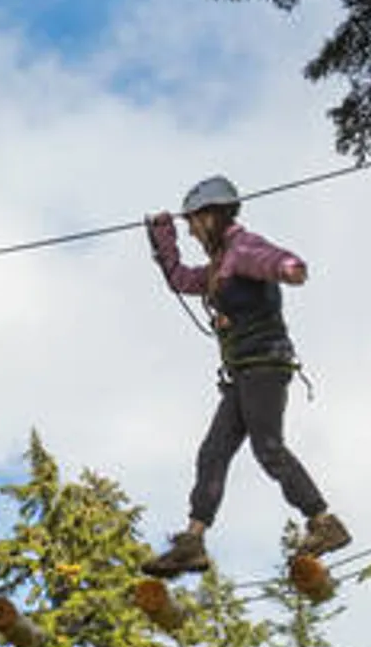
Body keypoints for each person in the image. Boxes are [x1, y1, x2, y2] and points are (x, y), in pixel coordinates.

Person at [142, 175, 347, 578]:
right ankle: (192, 542)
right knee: (213, 452)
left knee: (268, 447)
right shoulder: (220, 264)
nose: (192, 231)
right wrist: (162, 235)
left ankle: (324, 522)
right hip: (244, 371)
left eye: (192, 223)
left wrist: (289, 269)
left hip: (266, 364)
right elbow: (181, 279)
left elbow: (275, 261)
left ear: (212, 216)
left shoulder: (244, 248)